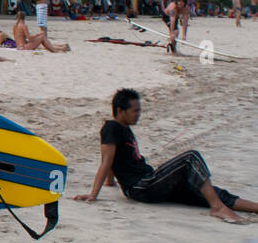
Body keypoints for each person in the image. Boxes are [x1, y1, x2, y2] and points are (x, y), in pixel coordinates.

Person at [73, 89, 257, 223]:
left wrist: (110, 182)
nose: (139, 115)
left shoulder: (124, 129)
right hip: (141, 187)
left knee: (203, 190)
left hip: (149, 183)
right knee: (190, 157)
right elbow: (106, 161)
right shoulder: (111, 128)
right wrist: (93, 194)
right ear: (120, 110)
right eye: (135, 111)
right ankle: (217, 208)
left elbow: (114, 160)